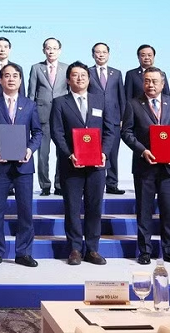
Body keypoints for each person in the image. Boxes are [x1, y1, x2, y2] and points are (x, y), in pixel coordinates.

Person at [51, 61, 117, 265]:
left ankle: (92, 249)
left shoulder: (101, 100)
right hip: (72, 164)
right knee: (72, 207)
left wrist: (104, 152)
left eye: (83, 75)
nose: (79, 78)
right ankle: (74, 249)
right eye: (75, 75)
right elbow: (57, 133)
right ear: (68, 80)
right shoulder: (60, 102)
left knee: (94, 207)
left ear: (89, 79)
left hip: (97, 165)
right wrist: (69, 154)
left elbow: (110, 130)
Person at [121, 66, 170, 265]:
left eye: (154, 81)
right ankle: (145, 251)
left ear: (163, 83)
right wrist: (143, 150)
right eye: (147, 81)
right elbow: (126, 133)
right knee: (144, 211)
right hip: (145, 166)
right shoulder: (133, 104)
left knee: (169, 210)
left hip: (169, 167)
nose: (150, 85)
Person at [0, 62, 42, 268]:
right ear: (0, 80)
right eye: (7, 75)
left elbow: (37, 132)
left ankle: (24, 252)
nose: (11, 79)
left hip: (24, 166)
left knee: (25, 211)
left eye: (15, 75)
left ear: (21, 80)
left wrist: (30, 150)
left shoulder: (30, 104)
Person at [27, 37, 68, 196]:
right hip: (41, 116)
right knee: (43, 155)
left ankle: (59, 184)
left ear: (60, 50)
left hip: (61, 117)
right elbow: (31, 94)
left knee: (62, 153)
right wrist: (29, 116)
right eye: (48, 48)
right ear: (44, 50)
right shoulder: (36, 68)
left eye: (54, 48)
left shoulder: (67, 68)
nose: (51, 51)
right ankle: (44, 185)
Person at [88, 42, 126, 195]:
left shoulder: (116, 73)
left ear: (108, 54)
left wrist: (123, 117)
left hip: (114, 118)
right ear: (93, 55)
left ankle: (112, 183)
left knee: (113, 152)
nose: (101, 55)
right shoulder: (87, 72)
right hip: (94, 119)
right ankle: (94, 183)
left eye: (104, 52)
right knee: (93, 151)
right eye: (98, 52)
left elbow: (121, 97)